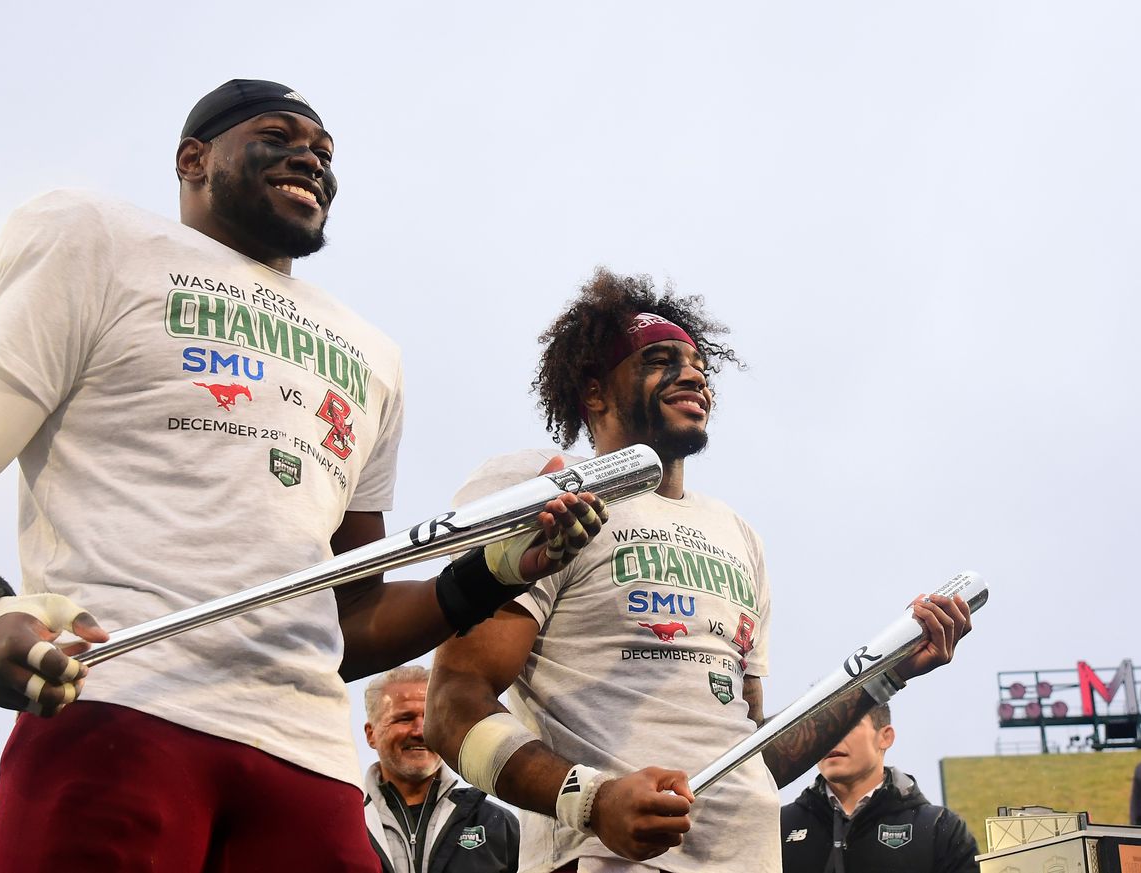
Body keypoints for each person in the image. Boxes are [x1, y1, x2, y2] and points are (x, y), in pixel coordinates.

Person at [0, 79, 605, 873]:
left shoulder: (372, 353)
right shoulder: (98, 238)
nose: (311, 160)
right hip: (120, 700)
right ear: (193, 159)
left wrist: (492, 572)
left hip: (308, 756)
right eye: (278, 136)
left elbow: (351, 619)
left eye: (324, 152)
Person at [424, 268, 973, 873]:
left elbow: (753, 755)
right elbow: (452, 705)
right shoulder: (553, 491)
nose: (693, 377)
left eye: (698, 366)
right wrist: (591, 800)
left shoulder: (739, 535)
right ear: (595, 392)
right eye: (659, 361)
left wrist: (885, 675)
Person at [780, 704, 979, 873]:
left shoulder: (940, 829)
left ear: (885, 737)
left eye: (846, 724)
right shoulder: (778, 827)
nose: (830, 737)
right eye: (820, 728)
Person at [363, 665, 519, 873]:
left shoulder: (497, 825)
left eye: (431, 719)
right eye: (404, 718)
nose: (420, 732)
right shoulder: (341, 826)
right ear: (371, 734)